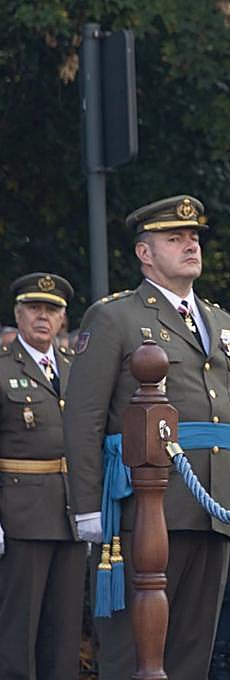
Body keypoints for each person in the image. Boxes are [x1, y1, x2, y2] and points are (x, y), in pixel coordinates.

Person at [64, 195, 230, 679]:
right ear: (145, 253)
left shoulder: (224, 323)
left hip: (211, 502)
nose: (191, 245)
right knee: (134, 651)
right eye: (175, 238)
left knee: (194, 647)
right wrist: (87, 506)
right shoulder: (115, 318)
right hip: (147, 503)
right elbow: (84, 417)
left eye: (194, 237)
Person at [0, 273, 84, 680]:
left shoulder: (74, 370)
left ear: (63, 319)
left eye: (51, 310)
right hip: (22, 513)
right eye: (34, 308)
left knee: (65, 628)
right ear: (17, 314)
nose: (42, 316)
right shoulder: (2, 370)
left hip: (71, 512)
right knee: (20, 626)